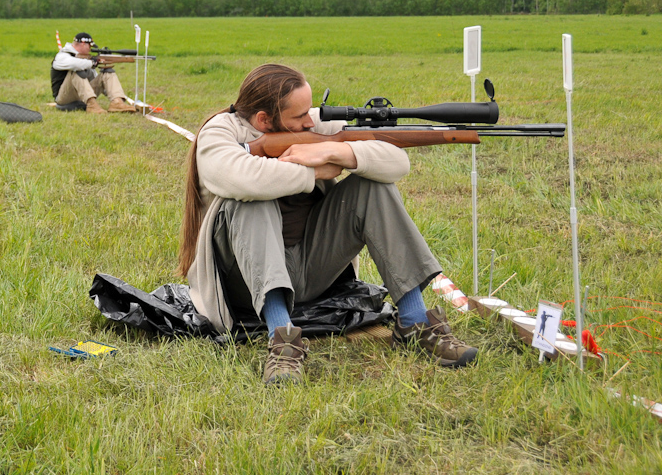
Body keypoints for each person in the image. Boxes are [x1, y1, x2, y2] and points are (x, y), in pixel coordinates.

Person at [178, 63, 477, 384]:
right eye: (300, 116)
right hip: (243, 286)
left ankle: (416, 325)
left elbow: (396, 163)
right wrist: (314, 172)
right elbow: (243, 179)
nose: (311, 120)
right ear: (264, 119)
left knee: (374, 186)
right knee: (251, 201)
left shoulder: (314, 124)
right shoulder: (220, 132)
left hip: (310, 271)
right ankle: (282, 342)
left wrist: (339, 151)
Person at [50, 32, 137, 113]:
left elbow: (95, 78)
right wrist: (93, 62)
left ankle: (117, 103)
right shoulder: (62, 55)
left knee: (107, 72)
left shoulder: (86, 60)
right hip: (64, 97)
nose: (90, 49)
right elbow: (76, 64)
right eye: (89, 46)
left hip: (82, 94)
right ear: (83, 43)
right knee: (77, 71)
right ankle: (92, 105)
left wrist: (118, 95)